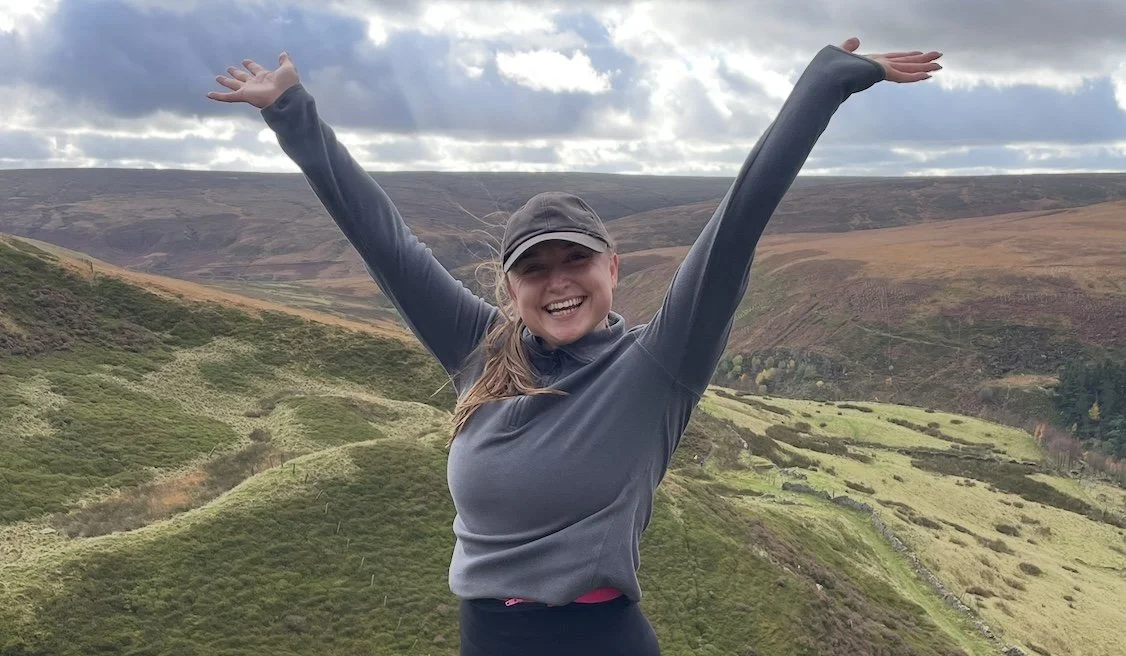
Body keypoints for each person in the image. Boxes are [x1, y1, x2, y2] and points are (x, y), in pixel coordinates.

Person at [208, 36, 941, 656]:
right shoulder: (477, 347)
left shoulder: (660, 363)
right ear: (509, 285)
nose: (557, 283)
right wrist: (291, 113)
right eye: (534, 268)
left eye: (576, 262)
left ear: (612, 268)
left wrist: (823, 86)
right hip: (485, 638)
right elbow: (384, 241)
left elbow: (739, 220)